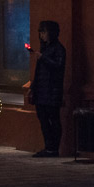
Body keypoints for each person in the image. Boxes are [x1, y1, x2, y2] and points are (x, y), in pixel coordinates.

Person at [28, 19, 66, 157]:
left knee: (53, 119)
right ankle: (48, 146)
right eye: (40, 32)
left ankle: (53, 148)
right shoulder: (45, 48)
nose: (42, 35)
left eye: (44, 32)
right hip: (41, 90)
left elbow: (59, 66)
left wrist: (43, 58)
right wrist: (32, 87)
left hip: (52, 90)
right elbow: (38, 72)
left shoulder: (58, 49)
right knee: (43, 118)